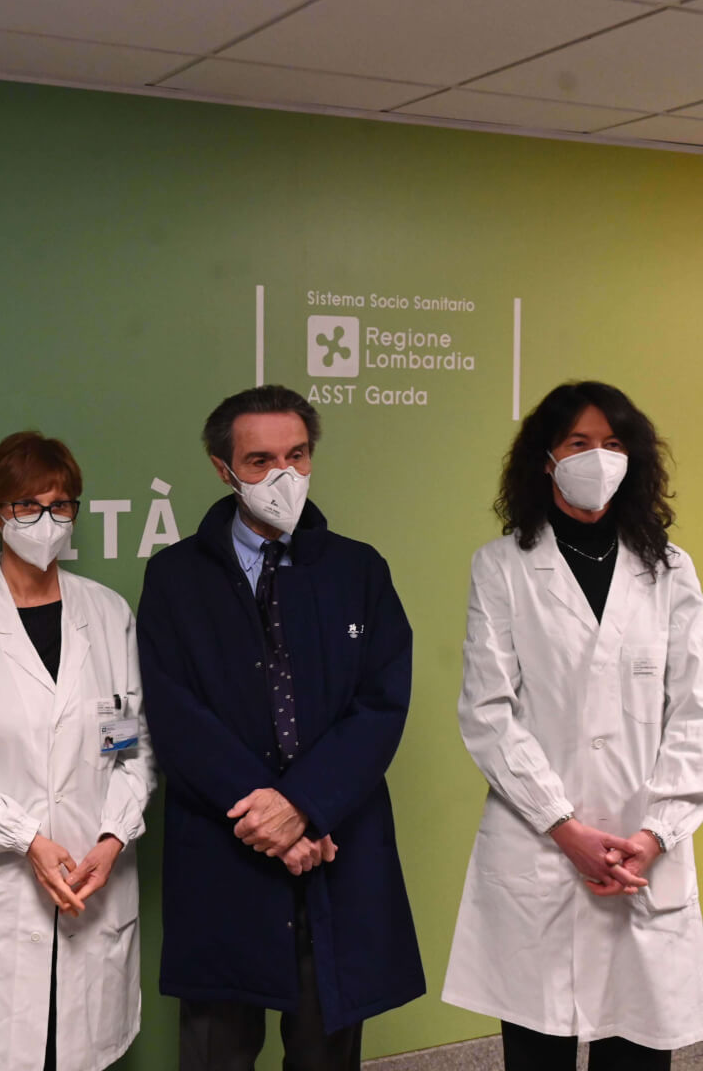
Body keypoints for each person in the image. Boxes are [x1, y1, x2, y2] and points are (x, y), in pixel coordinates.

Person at [136, 385, 424, 1071]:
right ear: (223, 469)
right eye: (260, 461)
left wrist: (304, 806)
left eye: (296, 456)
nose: (283, 476)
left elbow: (381, 703)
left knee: (326, 1051)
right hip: (227, 845)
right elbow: (174, 713)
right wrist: (271, 816)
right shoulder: (175, 577)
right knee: (216, 1052)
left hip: (331, 845)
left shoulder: (358, 570)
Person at [442, 381, 703, 1071]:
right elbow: (488, 711)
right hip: (541, 845)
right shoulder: (502, 567)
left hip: (641, 848)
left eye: (613, 443)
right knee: (538, 1048)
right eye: (578, 443)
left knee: (638, 1049)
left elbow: (697, 712)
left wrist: (654, 834)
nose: (598, 458)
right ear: (546, 459)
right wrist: (563, 827)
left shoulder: (669, 570)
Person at [0, 431, 156, 1071]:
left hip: (92, 880)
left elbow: (127, 747)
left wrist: (112, 837)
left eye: (60, 505)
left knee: (80, 1049)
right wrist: (29, 841)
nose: (46, 521)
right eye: (27, 506)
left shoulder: (107, 615)